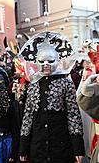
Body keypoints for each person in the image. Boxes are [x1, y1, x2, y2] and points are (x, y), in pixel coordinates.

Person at [19, 31, 85, 163]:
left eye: (50, 61)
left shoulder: (66, 82)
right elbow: (27, 118)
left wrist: (78, 147)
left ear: (57, 60)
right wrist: (23, 147)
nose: (46, 65)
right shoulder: (33, 84)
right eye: (42, 61)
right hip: (38, 147)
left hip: (61, 145)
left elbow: (73, 115)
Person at [0, 65, 20, 162]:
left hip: (6, 144)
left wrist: (14, 153)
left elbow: (15, 130)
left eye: (0, 84)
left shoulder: (10, 104)